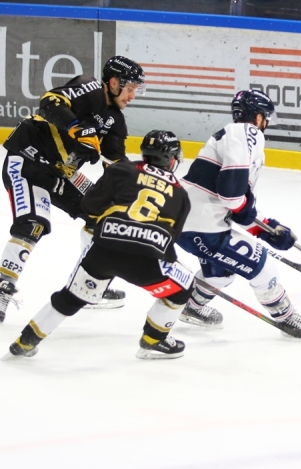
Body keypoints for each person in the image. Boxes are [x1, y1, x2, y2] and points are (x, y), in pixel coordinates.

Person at [3, 131, 193, 360]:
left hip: (104, 250)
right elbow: (171, 237)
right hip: (147, 261)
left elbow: (90, 205)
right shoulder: (181, 195)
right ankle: (154, 340)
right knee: (183, 288)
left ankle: (25, 341)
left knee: (70, 297)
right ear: (172, 159)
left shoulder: (122, 169)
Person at [175, 89, 301, 337]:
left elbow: (235, 204)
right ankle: (288, 319)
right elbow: (231, 198)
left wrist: (266, 229)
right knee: (262, 266)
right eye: (265, 117)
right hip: (203, 225)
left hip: (189, 221)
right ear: (258, 117)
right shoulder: (247, 132)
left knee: (221, 274)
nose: (266, 123)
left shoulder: (233, 136)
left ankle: (190, 307)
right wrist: (247, 215)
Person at [0, 56, 144, 322]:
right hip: (28, 161)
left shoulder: (115, 121)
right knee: (33, 224)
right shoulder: (89, 88)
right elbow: (50, 103)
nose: (133, 95)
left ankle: (85, 283)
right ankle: (1, 288)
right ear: (114, 82)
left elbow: (115, 165)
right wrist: (77, 129)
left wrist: (138, 190)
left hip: (60, 174)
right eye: (131, 88)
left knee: (104, 218)